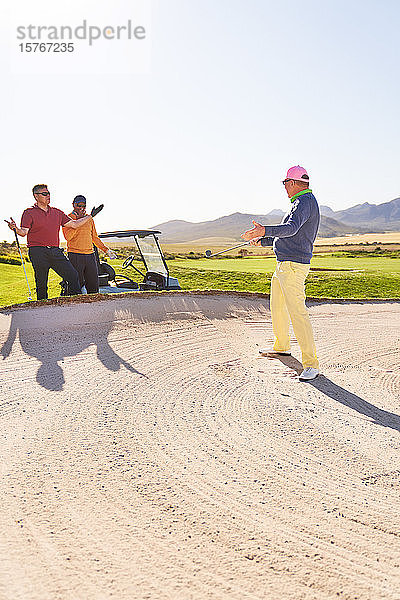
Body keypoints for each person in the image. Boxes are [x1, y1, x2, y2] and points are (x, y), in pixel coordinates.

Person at [241, 165, 320, 381]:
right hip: (284, 264)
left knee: (298, 313)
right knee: (278, 307)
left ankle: (311, 364)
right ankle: (282, 346)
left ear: (293, 183)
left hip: (293, 266)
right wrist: (262, 239)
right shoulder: (300, 202)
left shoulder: (304, 202)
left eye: (285, 183)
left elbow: (292, 228)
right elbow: (288, 234)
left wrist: (264, 230)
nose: (284, 187)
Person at [6, 184, 91, 300]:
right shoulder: (29, 212)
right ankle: (42, 312)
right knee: (41, 284)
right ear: (36, 196)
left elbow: (74, 225)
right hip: (38, 252)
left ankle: (74, 304)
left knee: (72, 275)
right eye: (44, 194)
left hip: (55, 251)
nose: (48, 196)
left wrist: (91, 216)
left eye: (49, 193)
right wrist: (15, 228)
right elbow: (23, 232)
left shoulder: (57, 212)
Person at [62, 195, 116, 294]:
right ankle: (74, 307)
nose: (81, 208)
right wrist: (78, 221)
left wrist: (106, 250)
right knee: (76, 285)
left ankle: (93, 307)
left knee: (93, 284)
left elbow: (94, 237)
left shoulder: (89, 219)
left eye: (84, 205)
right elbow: (68, 237)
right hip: (75, 255)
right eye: (79, 205)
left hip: (90, 255)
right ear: (73, 205)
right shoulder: (68, 218)